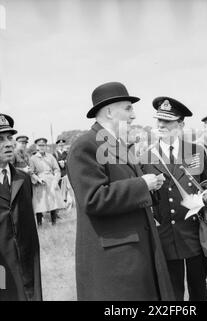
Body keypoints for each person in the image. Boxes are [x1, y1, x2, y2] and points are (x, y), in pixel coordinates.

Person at [67, 81, 175, 301]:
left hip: (134, 254)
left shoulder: (117, 144)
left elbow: (127, 189)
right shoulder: (85, 145)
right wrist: (142, 185)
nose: (133, 115)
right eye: (128, 108)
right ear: (108, 111)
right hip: (115, 261)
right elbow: (94, 198)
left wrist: (151, 185)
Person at [141, 97, 207, 301]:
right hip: (165, 233)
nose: (161, 125)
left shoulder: (196, 151)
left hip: (193, 232)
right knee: (172, 292)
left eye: (168, 121)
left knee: (199, 288)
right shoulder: (146, 156)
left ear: (181, 124)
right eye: (159, 120)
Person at [0, 113, 42, 301]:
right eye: (0, 139)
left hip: (26, 264)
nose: (8, 144)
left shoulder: (23, 179)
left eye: (9, 138)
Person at [29, 138, 64, 226]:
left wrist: (55, 180)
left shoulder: (50, 156)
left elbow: (57, 169)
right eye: (40, 145)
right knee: (40, 203)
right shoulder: (33, 158)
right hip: (40, 181)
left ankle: (54, 223)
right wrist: (38, 179)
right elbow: (31, 172)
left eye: (43, 145)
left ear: (46, 146)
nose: (42, 147)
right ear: (37, 146)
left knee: (52, 201)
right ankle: (40, 224)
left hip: (50, 180)